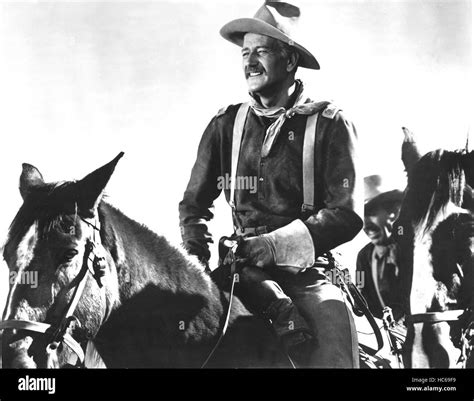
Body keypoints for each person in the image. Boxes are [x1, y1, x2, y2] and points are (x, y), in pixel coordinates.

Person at [179, 1, 363, 368]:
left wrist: (272, 246)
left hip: (307, 277)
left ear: (290, 60)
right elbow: (193, 206)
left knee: (332, 355)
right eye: (245, 53)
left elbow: (345, 213)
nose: (249, 62)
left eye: (261, 51)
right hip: (234, 275)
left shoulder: (329, 123)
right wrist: (195, 262)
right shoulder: (225, 125)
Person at [356, 190, 405, 320]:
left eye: (371, 214)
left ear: (393, 213)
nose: (365, 225)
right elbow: (360, 287)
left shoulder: (412, 251)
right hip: (380, 334)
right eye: (362, 216)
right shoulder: (363, 256)